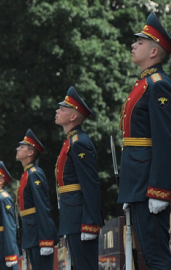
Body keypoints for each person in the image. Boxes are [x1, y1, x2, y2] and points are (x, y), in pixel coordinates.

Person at [116, 13, 171, 270]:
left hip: (149, 183)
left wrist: (159, 188)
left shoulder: (159, 85)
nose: (134, 45)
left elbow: (165, 141)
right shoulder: (143, 84)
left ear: (154, 51)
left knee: (156, 256)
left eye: (140, 42)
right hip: (138, 182)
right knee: (147, 254)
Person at [54, 86, 104, 270]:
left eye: (63, 109)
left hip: (80, 216)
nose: (57, 111)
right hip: (72, 214)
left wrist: (90, 222)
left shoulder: (79, 142)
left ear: (74, 116)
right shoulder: (70, 142)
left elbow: (90, 184)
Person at [16, 129, 59, 270]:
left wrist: (46, 240)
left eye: (22, 147)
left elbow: (42, 206)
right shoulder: (27, 174)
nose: (18, 148)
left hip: (39, 234)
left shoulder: (34, 174)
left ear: (30, 153)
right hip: (31, 232)